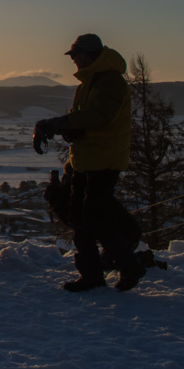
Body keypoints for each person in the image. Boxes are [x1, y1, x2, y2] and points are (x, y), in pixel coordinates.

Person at [33, 33, 145, 292]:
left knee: (93, 218)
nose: (72, 60)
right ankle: (92, 275)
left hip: (104, 159)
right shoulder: (90, 82)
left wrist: (60, 125)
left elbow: (100, 117)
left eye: (75, 55)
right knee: (78, 218)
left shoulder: (110, 81)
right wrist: (69, 129)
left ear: (88, 54)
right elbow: (84, 119)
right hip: (86, 158)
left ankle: (130, 265)